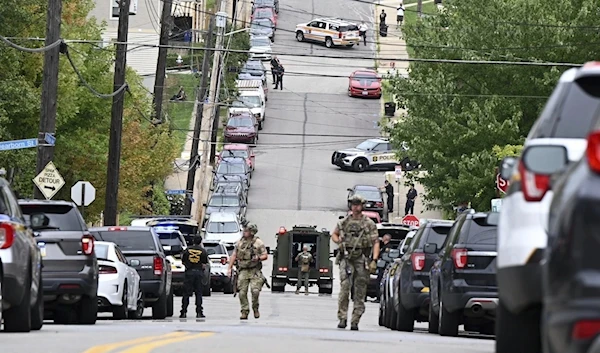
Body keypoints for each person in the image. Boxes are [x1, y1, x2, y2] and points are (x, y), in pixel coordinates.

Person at [332, 195, 380, 331]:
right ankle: (342, 317)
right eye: (353, 204)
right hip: (346, 257)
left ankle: (355, 320)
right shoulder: (344, 222)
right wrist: (339, 241)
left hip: (361, 257)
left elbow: (376, 242)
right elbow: (334, 234)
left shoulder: (368, 224)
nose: (355, 207)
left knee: (360, 289)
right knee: (345, 286)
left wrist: (374, 260)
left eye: (358, 204)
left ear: (362, 206)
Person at [227, 223, 268, 319]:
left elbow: (265, 255)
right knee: (242, 292)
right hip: (243, 270)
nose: (244, 232)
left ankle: (255, 308)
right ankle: (244, 311)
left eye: (246, 231)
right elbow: (234, 255)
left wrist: (258, 258)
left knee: (255, 291)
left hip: (254, 270)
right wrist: (229, 268)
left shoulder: (258, 243)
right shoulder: (239, 243)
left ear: (252, 232)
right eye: (244, 230)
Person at [180, 236, 209, 318]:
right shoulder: (203, 251)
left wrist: (189, 266)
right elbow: (204, 264)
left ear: (193, 241)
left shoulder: (187, 250)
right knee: (199, 293)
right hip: (199, 273)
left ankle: (183, 312)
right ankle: (199, 312)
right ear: (200, 241)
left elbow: (183, 261)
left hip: (189, 273)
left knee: (186, 293)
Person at [374, 234, 393, 303]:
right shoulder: (384, 246)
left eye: (383, 237)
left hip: (384, 267)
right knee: (378, 282)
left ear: (386, 238)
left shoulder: (388, 247)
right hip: (381, 267)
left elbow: (385, 257)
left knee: (380, 282)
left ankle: (379, 297)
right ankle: (378, 297)